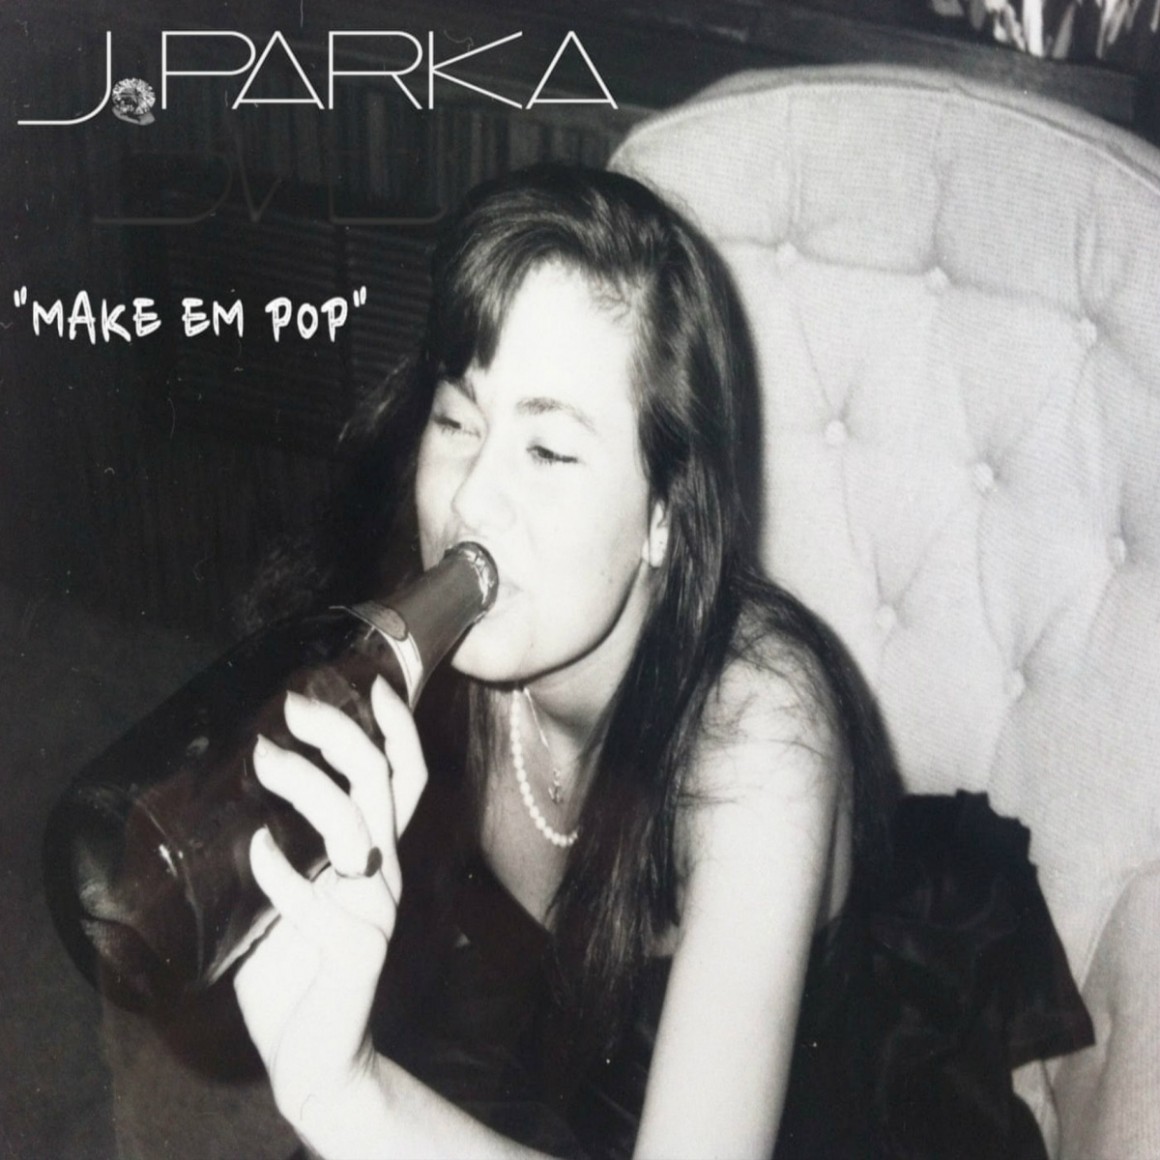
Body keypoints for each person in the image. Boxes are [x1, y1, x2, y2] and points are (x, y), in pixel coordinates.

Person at [231, 166, 1092, 1159]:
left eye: (548, 451)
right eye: (458, 421)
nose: (469, 501)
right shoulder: (432, 624)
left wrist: (350, 1098)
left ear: (665, 516)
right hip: (545, 1035)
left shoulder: (761, 735)